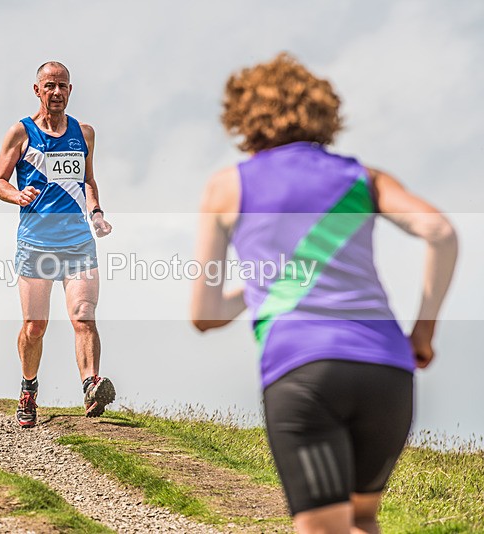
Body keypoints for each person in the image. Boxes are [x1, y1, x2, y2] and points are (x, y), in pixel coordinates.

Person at [191, 53, 457, 533]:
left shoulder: (228, 187)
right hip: (386, 369)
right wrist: (423, 332)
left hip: (303, 372)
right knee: (363, 520)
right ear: (323, 113)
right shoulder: (364, 177)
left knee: (324, 527)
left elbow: (204, 314)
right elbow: (439, 232)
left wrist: (261, 289)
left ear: (245, 117)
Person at [0, 61, 115, 428]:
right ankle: (28, 388)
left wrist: (95, 212)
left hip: (78, 241)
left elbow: (88, 180)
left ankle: (92, 386)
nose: (57, 92)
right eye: (50, 86)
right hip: (36, 243)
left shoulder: (84, 133)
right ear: (37, 90)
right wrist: (16, 195)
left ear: (70, 90)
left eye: (63, 86)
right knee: (35, 326)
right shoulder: (21, 132)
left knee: (83, 316)